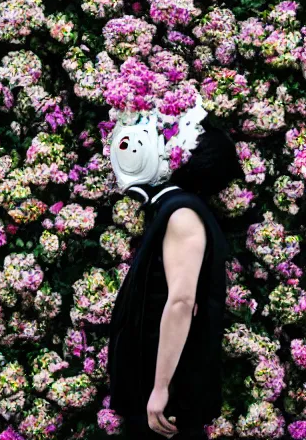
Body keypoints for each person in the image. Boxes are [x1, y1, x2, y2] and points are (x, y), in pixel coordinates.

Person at [107, 102, 243, 440]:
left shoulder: (182, 214)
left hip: (168, 397)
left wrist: (160, 389)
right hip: (154, 388)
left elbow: (182, 301)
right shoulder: (173, 209)